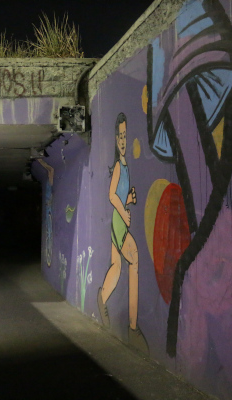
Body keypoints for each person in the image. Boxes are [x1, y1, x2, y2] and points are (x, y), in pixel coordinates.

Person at [97, 113, 148, 354]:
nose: (123, 140)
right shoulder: (118, 165)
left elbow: (120, 194)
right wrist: (123, 210)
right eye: (120, 136)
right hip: (119, 223)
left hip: (119, 221)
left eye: (126, 136)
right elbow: (111, 195)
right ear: (115, 138)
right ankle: (133, 328)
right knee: (134, 259)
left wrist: (129, 199)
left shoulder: (126, 164)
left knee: (117, 267)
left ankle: (102, 298)